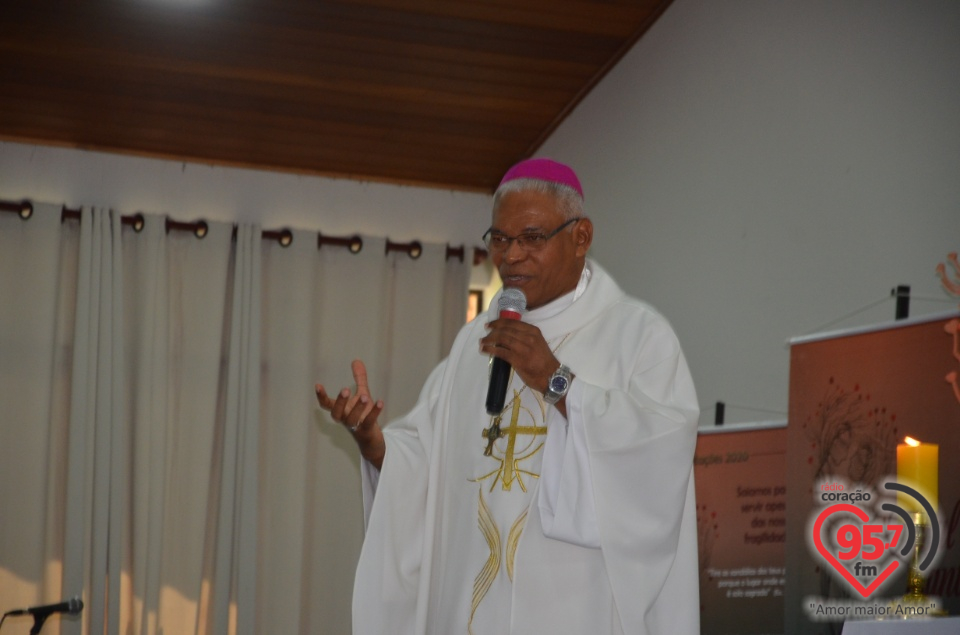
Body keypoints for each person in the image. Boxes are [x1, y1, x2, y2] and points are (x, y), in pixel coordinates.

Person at [315, 158, 700, 635]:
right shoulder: (474, 342)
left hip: (575, 611)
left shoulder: (638, 337)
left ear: (581, 237)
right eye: (499, 239)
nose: (511, 256)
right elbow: (429, 474)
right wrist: (374, 443)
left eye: (532, 238)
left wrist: (557, 382)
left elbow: (661, 459)